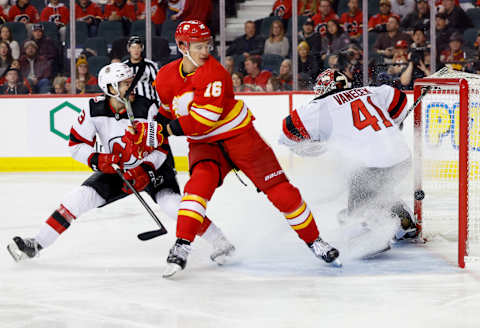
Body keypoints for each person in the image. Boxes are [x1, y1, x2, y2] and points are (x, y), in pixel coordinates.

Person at [123, 20, 341, 278]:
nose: (206, 51)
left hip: (240, 137)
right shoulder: (166, 77)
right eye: (198, 46)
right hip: (204, 145)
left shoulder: (214, 73)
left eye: (208, 45)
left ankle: (315, 241)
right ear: (182, 46)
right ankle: (182, 245)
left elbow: (203, 120)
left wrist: (161, 131)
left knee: (282, 192)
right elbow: (168, 113)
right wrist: (148, 132)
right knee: (196, 188)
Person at [6, 62, 235, 266]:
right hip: (117, 168)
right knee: (76, 199)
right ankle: (36, 244)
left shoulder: (147, 107)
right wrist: (99, 159)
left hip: (153, 166)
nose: (130, 86)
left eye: (130, 82)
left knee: (173, 205)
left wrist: (145, 169)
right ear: (111, 88)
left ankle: (220, 242)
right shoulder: (93, 109)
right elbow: (76, 145)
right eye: (124, 83)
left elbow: (161, 148)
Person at [278, 68, 418, 255]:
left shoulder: (319, 107)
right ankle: (404, 224)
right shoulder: (372, 91)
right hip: (403, 159)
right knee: (378, 189)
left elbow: (288, 131)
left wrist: (316, 147)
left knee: (355, 217)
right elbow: (399, 99)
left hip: (371, 169)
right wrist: (393, 121)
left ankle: (370, 238)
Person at [122, 36, 160, 105]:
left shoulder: (150, 65)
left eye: (138, 47)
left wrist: (158, 103)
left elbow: (158, 85)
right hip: (129, 105)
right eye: (133, 47)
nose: (136, 50)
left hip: (148, 104)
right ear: (129, 49)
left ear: (142, 49)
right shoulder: (123, 67)